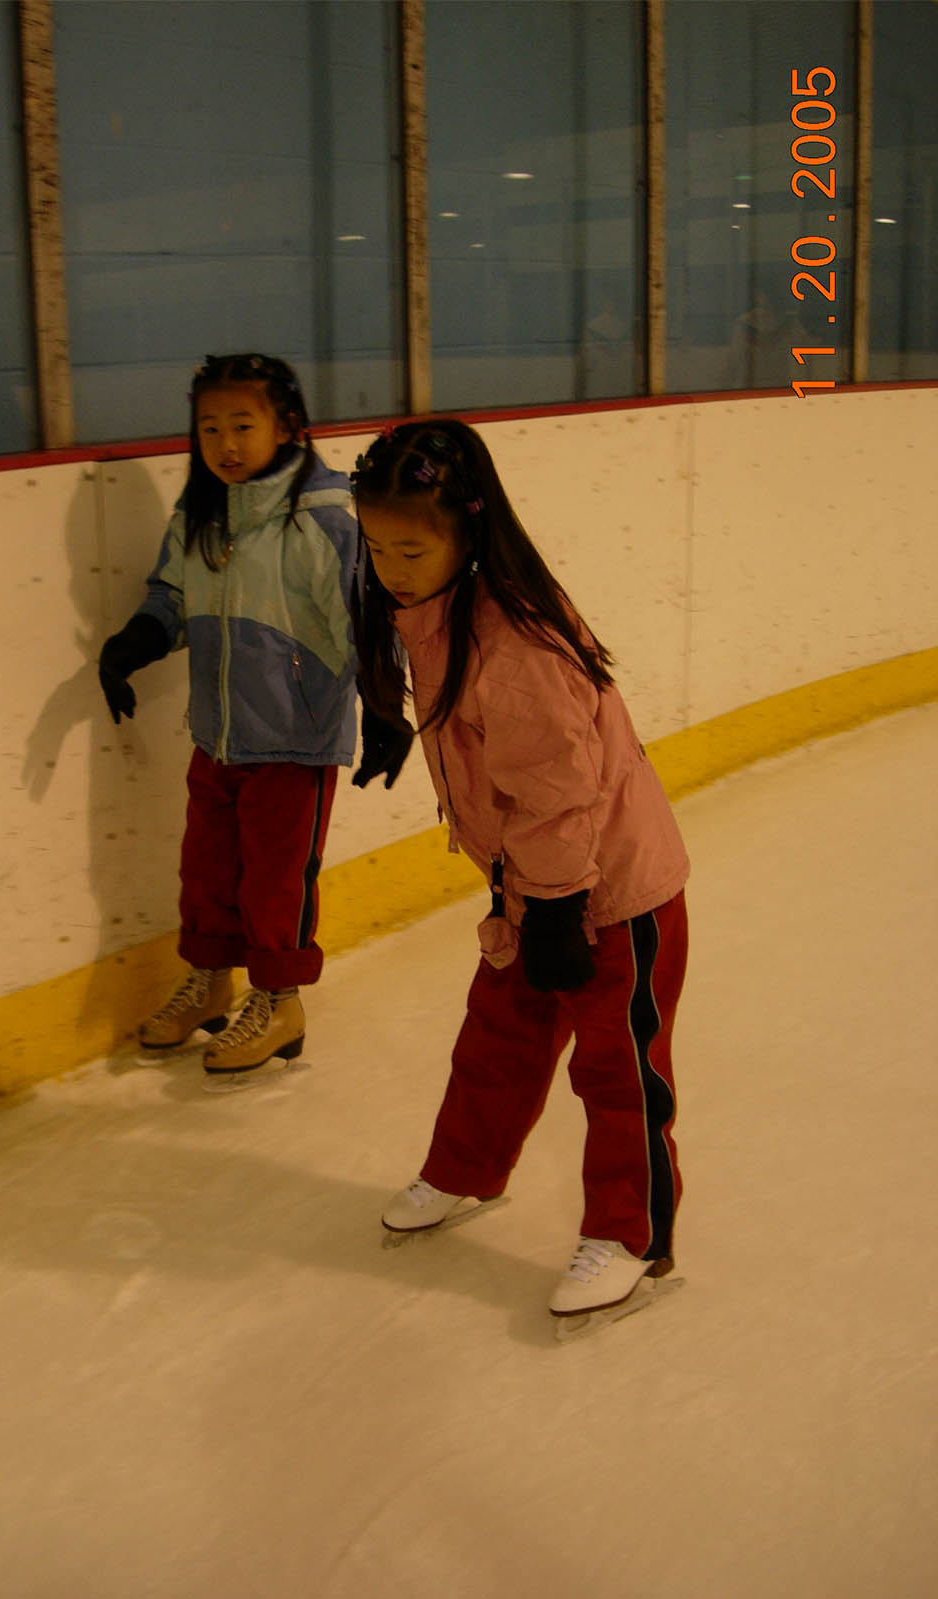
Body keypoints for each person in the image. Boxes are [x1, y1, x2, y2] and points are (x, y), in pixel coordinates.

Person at [350, 419, 690, 1327]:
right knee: (496, 1038)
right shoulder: (433, 607)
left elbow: (556, 794)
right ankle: (465, 1170)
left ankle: (631, 1233)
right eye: (376, 544)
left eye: (411, 548)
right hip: (531, 884)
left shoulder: (519, 644)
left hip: (610, 892)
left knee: (617, 1070)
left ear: (470, 530)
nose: (390, 566)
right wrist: (390, 713)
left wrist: (558, 909)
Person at [98, 353, 411, 1079]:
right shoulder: (202, 513)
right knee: (207, 870)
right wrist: (130, 645)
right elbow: (170, 597)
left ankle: (280, 1002)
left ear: (288, 426)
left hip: (294, 741)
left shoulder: (325, 513)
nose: (226, 443)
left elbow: (361, 617)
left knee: (275, 881)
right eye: (210, 427)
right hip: (218, 735)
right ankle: (210, 986)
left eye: (243, 424)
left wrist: (386, 708)